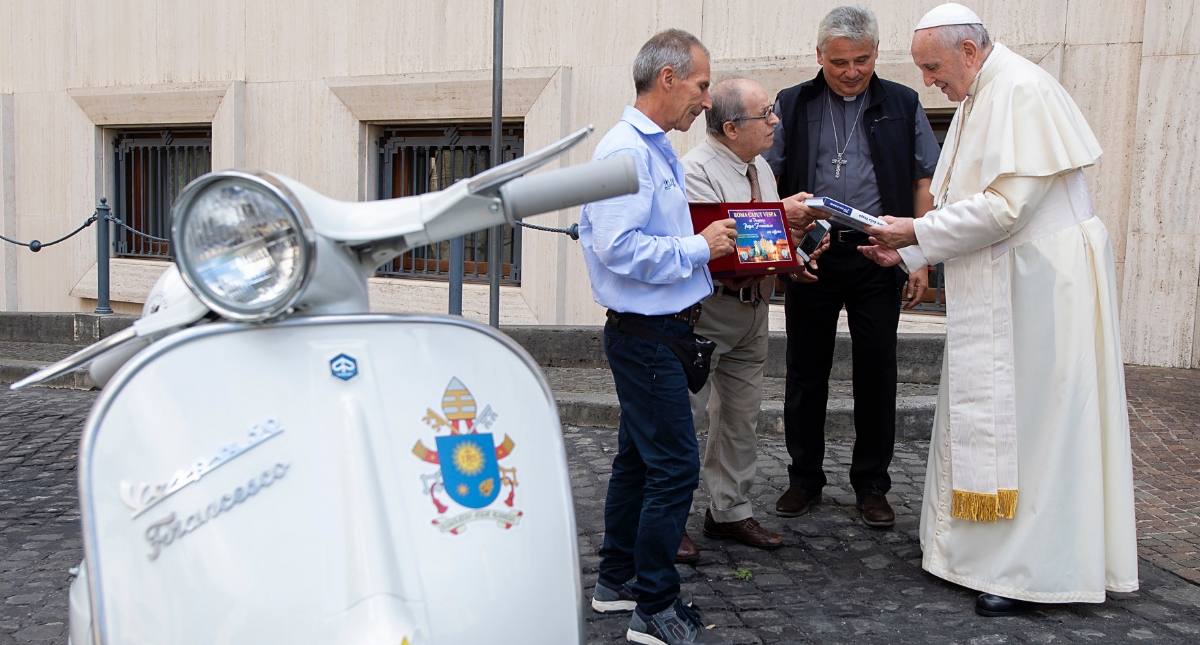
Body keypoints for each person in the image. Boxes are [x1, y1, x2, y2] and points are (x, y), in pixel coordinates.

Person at [859, 3, 1139, 617]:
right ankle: (981, 554)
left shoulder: (1021, 90)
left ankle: (1033, 570)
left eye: (933, 67)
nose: (928, 81)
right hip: (1010, 276)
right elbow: (968, 203)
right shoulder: (980, 93)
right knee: (1007, 418)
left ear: (968, 49)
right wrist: (909, 251)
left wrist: (913, 234)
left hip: (1043, 285)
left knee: (1037, 426)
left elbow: (1004, 208)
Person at [578, 29, 736, 645]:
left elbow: (637, 235)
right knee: (673, 467)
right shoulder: (627, 152)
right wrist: (701, 246)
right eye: (701, 86)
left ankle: (617, 583)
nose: (706, 100)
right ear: (667, 78)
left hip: (656, 333)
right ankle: (654, 607)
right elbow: (618, 249)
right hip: (647, 337)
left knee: (639, 463)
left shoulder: (652, 147)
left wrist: (701, 243)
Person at [763, 5, 941, 527]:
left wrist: (918, 257)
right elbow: (765, 181)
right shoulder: (792, 104)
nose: (851, 71)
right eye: (839, 61)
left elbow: (922, 182)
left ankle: (872, 485)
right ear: (820, 55)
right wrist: (784, 254)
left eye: (861, 60)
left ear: (876, 53)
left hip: (878, 254)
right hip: (813, 254)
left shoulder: (902, 103)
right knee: (805, 369)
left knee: (878, 370)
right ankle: (804, 479)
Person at [675, 77, 828, 560]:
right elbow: (721, 247)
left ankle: (730, 511)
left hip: (755, 307)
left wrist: (794, 259)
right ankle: (667, 519)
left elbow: (761, 247)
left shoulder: (758, 164)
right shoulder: (694, 170)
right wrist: (780, 218)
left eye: (773, 112)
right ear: (730, 126)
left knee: (740, 417)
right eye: (765, 114)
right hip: (707, 309)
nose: (774, 121)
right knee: (684, 418)